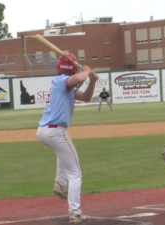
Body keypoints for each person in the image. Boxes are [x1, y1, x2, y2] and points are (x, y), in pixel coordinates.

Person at [36, 53, 98, 224]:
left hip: (46, 131)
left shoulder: (65, 84)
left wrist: (91, 80)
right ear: (71, 67)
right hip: (55, 131)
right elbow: (77, 78)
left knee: (62, 153)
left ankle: (60, 183)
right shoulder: (62, 80)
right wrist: (86, 70)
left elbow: (86, 97)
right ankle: (75, 213)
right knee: (76, 173)